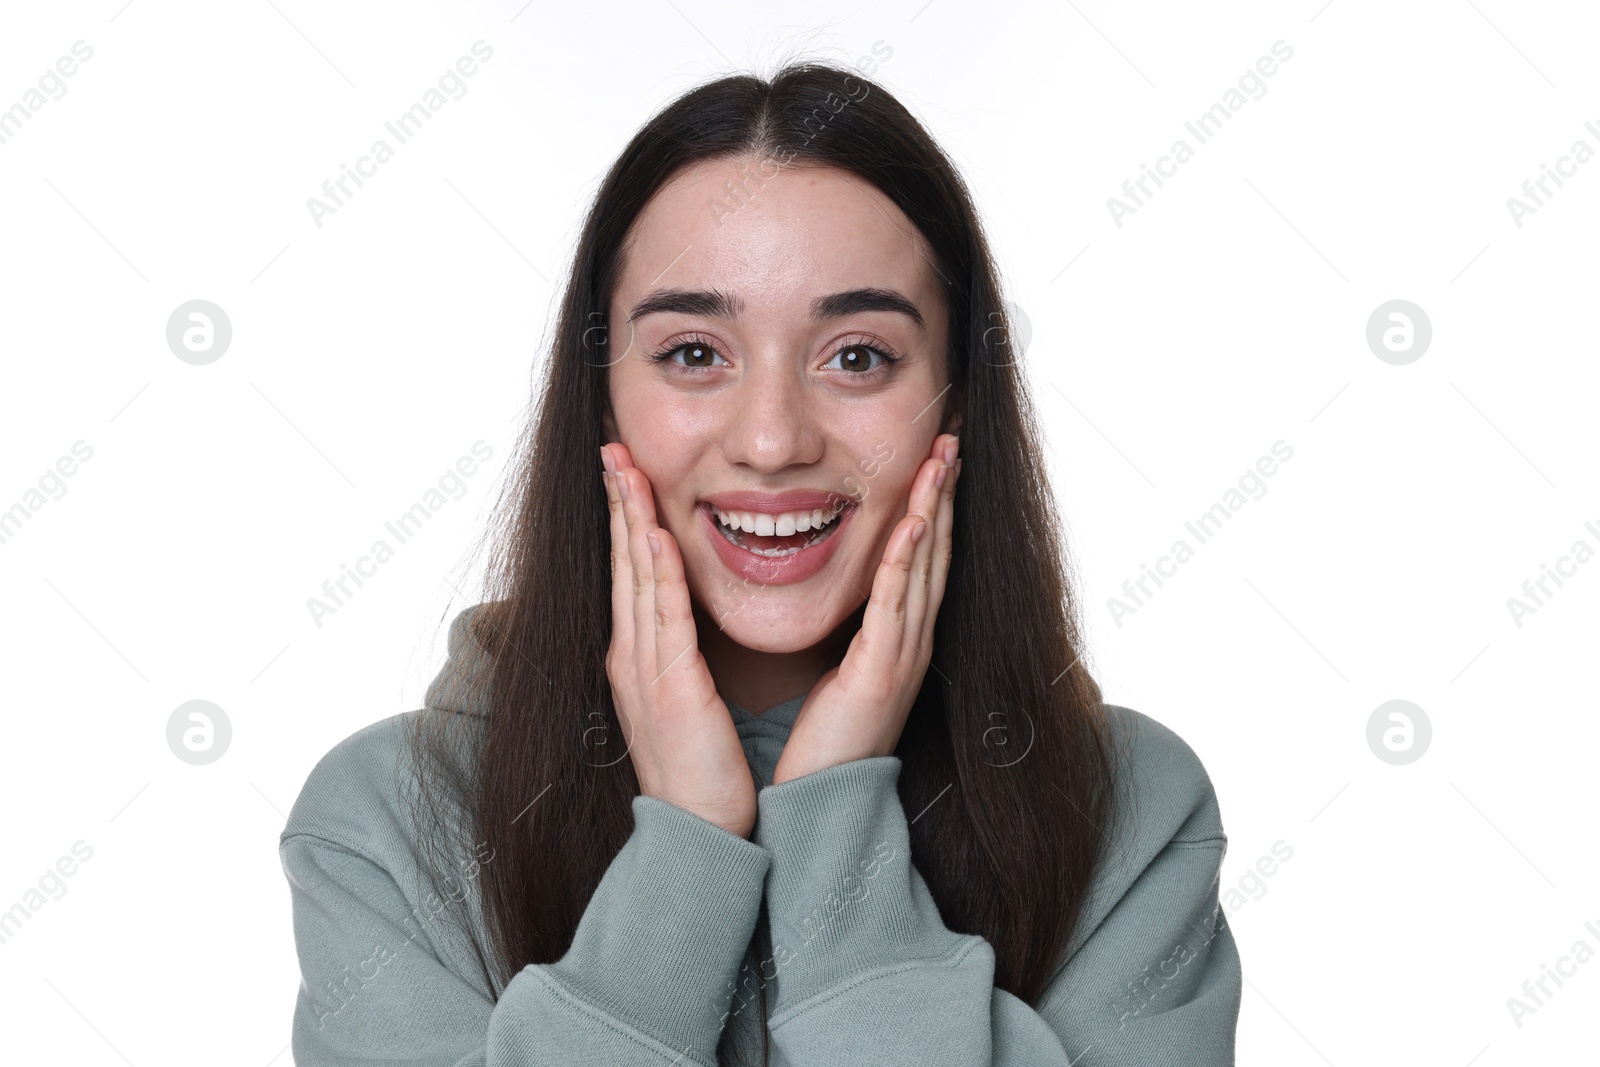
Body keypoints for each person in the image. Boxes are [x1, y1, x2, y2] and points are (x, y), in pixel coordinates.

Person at [280, 60, 1241, 1066]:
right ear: (602, 395)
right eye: (695, 353)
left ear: (956, 399)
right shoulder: (389, 821)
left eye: (857, 355)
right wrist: (688, 848)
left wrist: (834, 821)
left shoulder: (1131, 813)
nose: (773, 440)